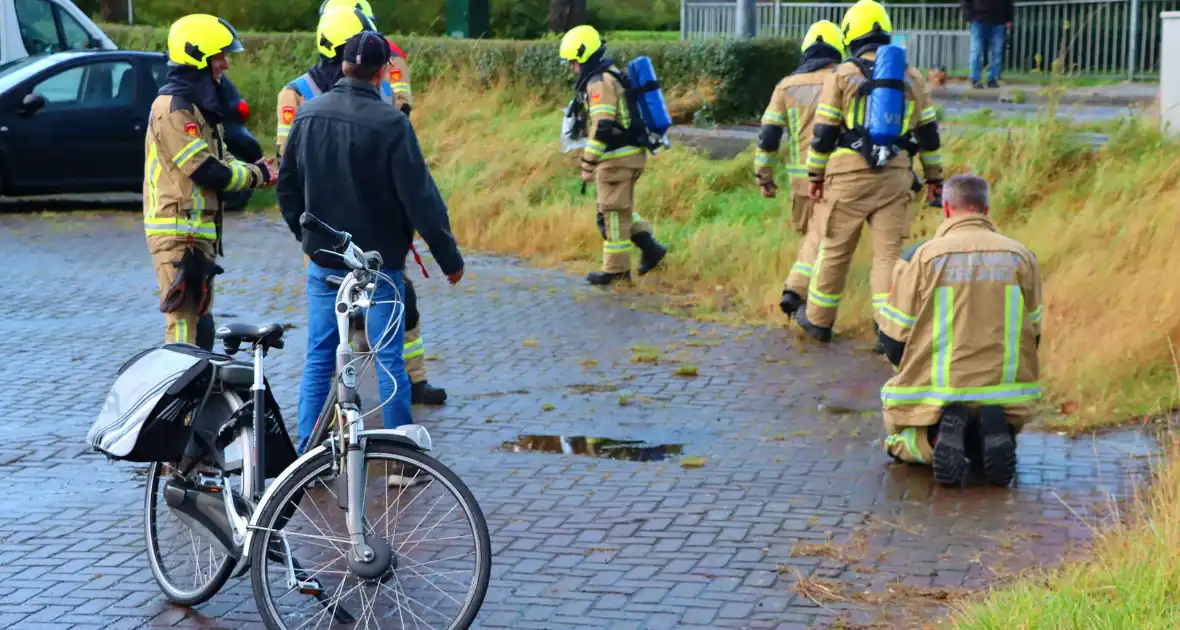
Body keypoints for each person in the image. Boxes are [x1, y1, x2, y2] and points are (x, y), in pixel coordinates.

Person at [277, 31, 465, 485]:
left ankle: (307, 459)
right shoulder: (391, 124)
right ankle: (402, 460)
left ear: (342, 65)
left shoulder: (307, 115)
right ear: (382, 73)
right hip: (380, 266)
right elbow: (420, 197)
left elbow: (287, 187)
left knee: (322, 355)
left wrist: (308, 239)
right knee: (387, 358)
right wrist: (448, 257)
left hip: (325, 264)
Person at [876, 175, 1042, 488]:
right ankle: (994, 431)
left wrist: (907, 370)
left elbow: (894, 340)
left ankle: (938, 435)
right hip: (1003, 389)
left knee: (899, 439)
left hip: (940, 388)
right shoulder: (1021, 256)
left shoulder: (923, 257)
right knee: (992, 422)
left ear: (947, 210)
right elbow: (1034, 334)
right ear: (986, 209)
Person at [795, 0, 943, 343]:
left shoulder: (843, 74)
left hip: (846, 177)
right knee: (888, 256)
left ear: (851, 34)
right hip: (896, 177)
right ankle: (887, 331)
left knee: (834, 250)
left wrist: (814, 177)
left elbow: (824, 133)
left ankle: (818, 321)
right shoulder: (913, 76)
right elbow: (929, 136)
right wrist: (935, 179)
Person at [144, 13, 277, 350]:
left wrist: (257, 171)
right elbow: (204, 169)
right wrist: (255, 176)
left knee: (201, 326)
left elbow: (221, 158)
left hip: (194, 235)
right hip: (178, 234)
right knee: (183, 328)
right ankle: (178, 395)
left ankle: (198, 398)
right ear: (198, 55)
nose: (226, 64)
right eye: (220, 55)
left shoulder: (195, 105)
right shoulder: (174, 108)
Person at [558, 24, 668, 286]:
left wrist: (588, 162)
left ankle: (616, 271)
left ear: (584, 56)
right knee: (619, 210)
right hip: (630, 154)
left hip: (616, 158)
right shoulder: (610, 73)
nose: (573, 67)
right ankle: (651, 248)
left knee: (612, 215)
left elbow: (603, 125)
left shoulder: (599, 82)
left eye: (574, 61)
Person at [755, 20, 846, 317]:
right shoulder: (845, 78)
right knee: (826, 242)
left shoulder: (787, 86)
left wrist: (763, 175)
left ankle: (800, 297)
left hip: (801, 181)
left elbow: (768, 136)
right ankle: (802, 296)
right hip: (841, 173)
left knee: (813, 236)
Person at [962, 0, 1013, 88]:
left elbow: (1008, 2)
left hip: (998, 19)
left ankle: (992, 79)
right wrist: (969, 15)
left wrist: (1009, 18)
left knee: (996, 52)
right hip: (979, 19)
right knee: (977, 51)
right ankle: (975, 79)